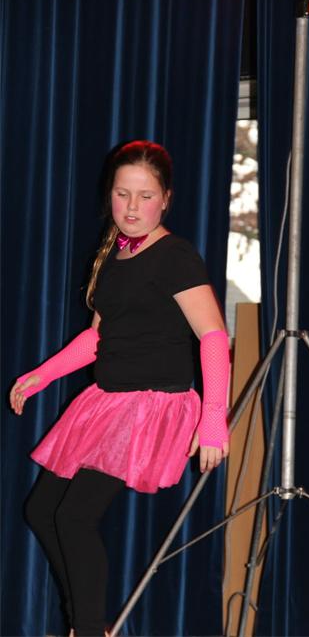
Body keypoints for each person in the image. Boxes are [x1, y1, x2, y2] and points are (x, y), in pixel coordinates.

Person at [9, 140, 230, 637]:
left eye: (145, 196)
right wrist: (42, 374)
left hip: (150, 406)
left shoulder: (175, 257)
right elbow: (98, 337)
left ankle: (88, 630)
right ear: (108, 194)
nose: (131, 207)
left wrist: (213, 417)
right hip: (107, 401)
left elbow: (214, 336)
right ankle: (86, 625)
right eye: (122, 193)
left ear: (166, 199)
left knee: (75, 517)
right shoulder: (114, 253)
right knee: (42, 512)